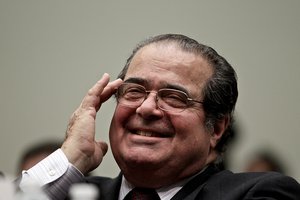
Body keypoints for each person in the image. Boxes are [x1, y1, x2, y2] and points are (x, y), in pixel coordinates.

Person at [19, 34, 300, 199]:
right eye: (134, 91)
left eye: (174, 97)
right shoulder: (71, 194)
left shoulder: (261, 192)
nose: (146, 108)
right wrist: (70, 157)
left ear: (216, 128)